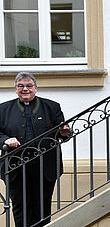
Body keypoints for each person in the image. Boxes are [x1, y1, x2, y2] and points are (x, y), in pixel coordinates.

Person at [0, 72, 70, 227]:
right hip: (15, 167)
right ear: (15, 89)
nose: (25, 89)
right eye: (21, 86)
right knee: (20, 208)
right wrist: (5, 140)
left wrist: (65, 133)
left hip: (44, 167)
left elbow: (62, 133)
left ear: (35, 88)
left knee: (42, 209)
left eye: (29, 86)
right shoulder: (3, 109)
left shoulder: (52, 107)